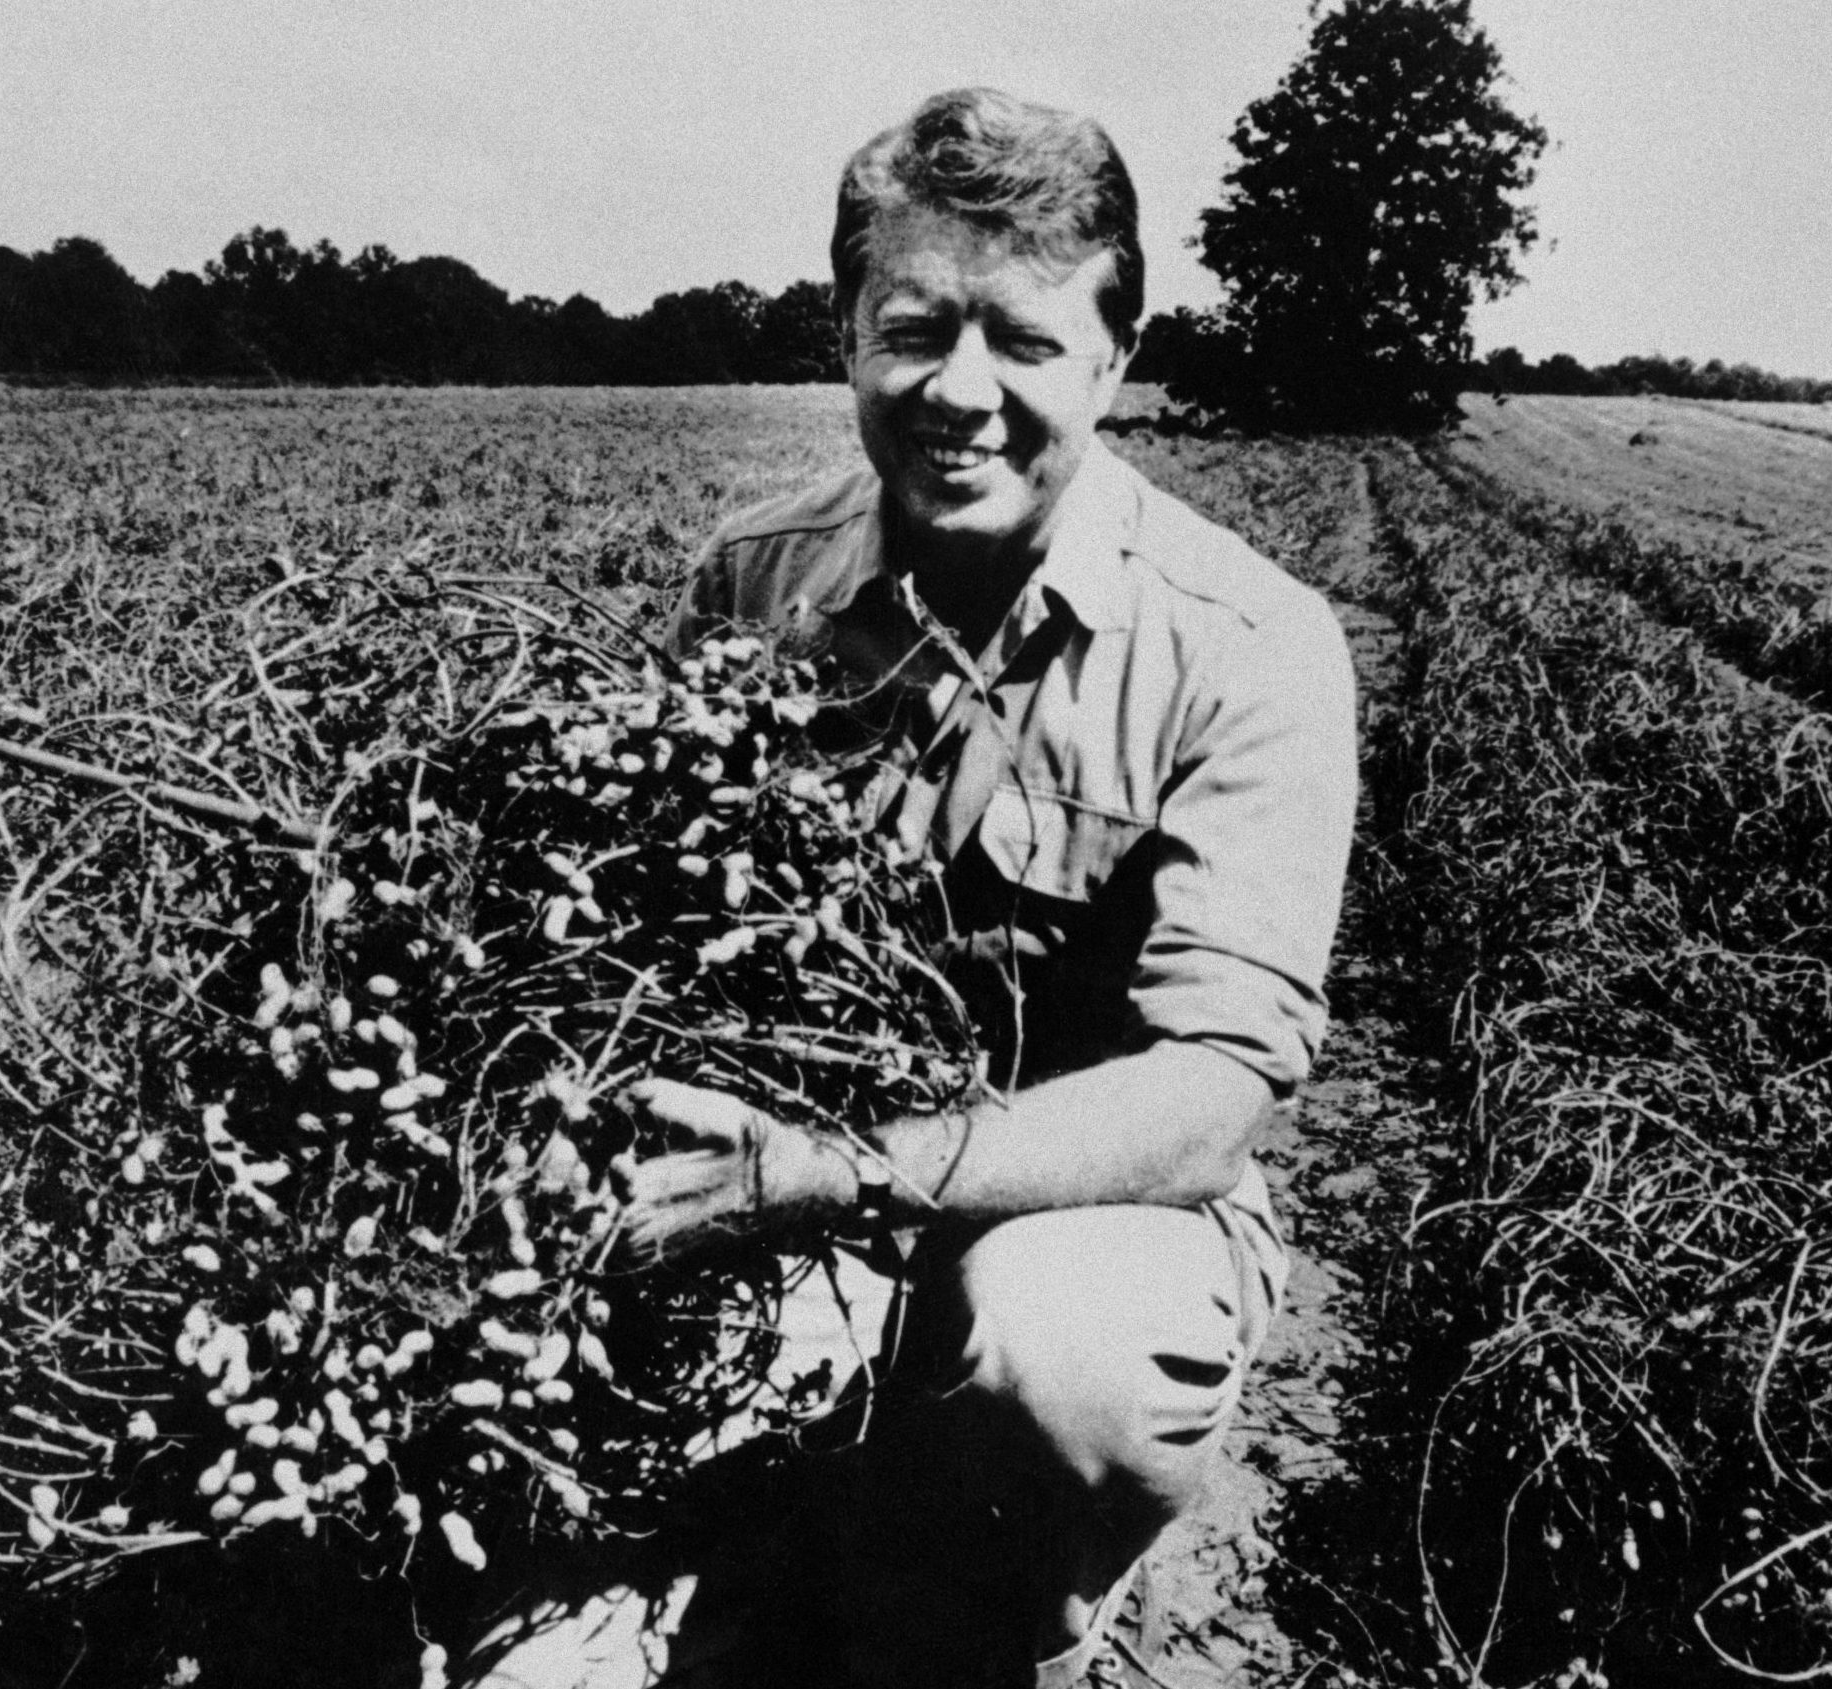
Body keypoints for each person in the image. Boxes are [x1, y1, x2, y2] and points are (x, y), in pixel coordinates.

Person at [468, 86, 1355, 1689]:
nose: (960, 392)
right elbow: (640, 947)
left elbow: (1211, 1090)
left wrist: (844, 1176)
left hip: (1091, 1213)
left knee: (1046, 1338)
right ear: (844, 333)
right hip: (768, 1186)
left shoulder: (1249, 644)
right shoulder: (755, 581)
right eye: (913, 328)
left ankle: (985, 1620)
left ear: (1114, 349)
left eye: (1019, 338)